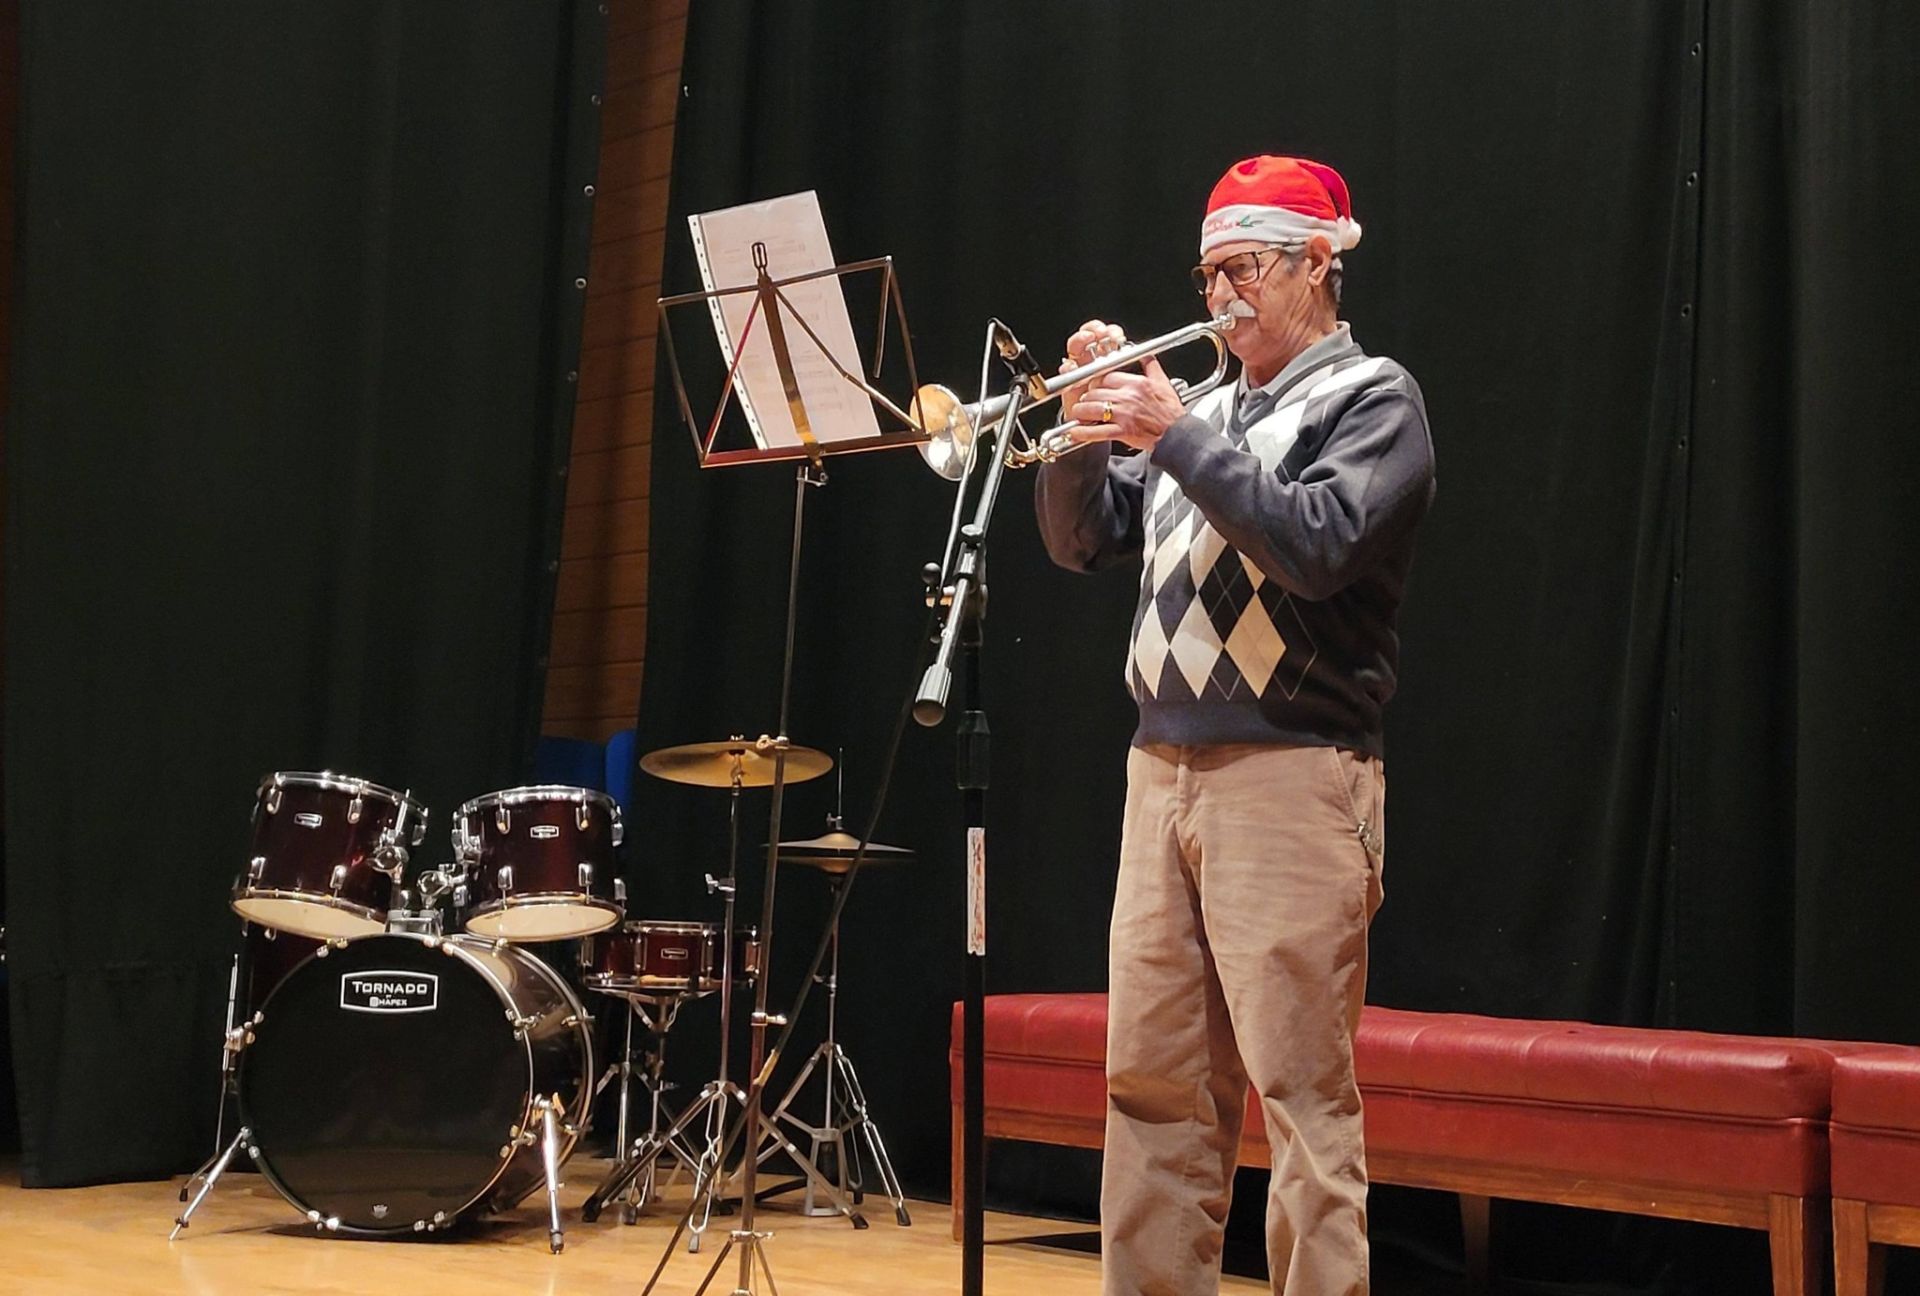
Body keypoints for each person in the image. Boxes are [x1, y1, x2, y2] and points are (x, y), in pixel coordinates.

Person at [1034, 155, 1436, 1296]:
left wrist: (1172, 434)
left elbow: (1316, 544)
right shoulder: (1202, 412)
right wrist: (1078, 432)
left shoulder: (1374, 399)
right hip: (1159, 773)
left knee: (1302, 1099)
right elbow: (1081, 541)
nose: (1220, 296)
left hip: (1293, 775)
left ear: (1317, 264)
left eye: (1244, 269)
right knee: (1153, 1090)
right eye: (1209, 274)